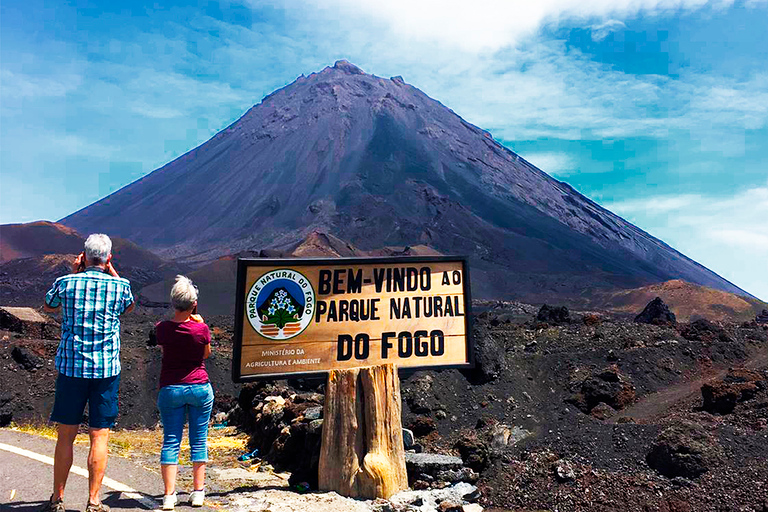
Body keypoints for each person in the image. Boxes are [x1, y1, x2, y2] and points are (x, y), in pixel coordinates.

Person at [41, 234, 134, 512]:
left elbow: (49, 304)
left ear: (82, 256)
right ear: (108, 258)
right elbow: (129, 306)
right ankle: (94, 501)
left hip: (71, 369)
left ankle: (58, 498)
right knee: (99, 435)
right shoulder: (121, 286)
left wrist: (74, 271)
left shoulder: (66, 283)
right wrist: (112, 270)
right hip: (105, 371)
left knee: (66, 435)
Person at [154, 275, 214, 510]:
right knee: (199, 440)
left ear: (173, 303)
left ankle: (169, 496)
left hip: (171, 388)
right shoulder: (201, 329)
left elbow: (165, 347)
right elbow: (205, 355)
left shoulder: (162, 329)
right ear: (194, 304)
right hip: (199, 387)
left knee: (171, 441)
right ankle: (198, 492)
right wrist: (200, 324)